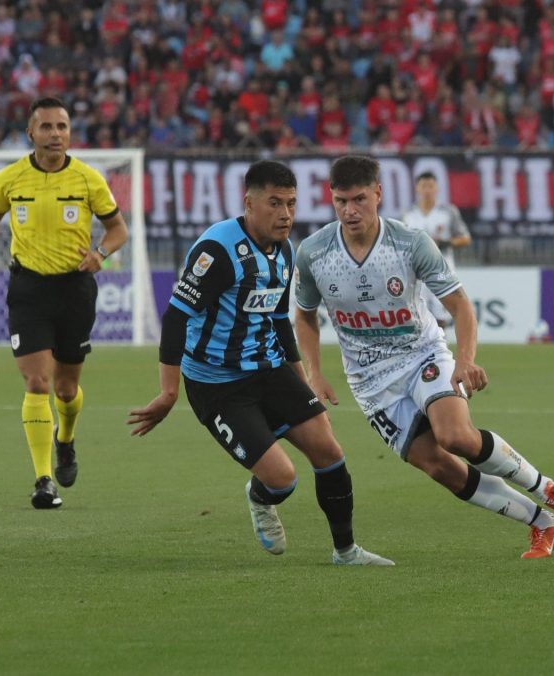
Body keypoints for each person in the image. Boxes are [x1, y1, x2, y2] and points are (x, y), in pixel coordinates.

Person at [295, 156, 554, 560]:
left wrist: (466, 360)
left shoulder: (410, 243)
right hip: (370, 382)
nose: (350, 210)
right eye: (341, 201)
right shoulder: (313, 253)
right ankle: (545, 524)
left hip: (422, 355)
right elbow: (305, 316)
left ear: (378, 194)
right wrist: (315, 373)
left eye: (359, 199)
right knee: (438, 465)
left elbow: (461, 307)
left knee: (455, 436)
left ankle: (548, 488)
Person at [126, 160, 392, 566]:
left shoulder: (285, 251)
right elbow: (176, 316)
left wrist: (302, 381)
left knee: (329, 449)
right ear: (248, 203)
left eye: (291, 203)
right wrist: (168, 392)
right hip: (217, 385)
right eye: (274, 203)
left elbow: (277, 320)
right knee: (283, 480)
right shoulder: (218, 251)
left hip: (268, 370)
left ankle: (346, 552)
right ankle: (260, 496)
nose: (285, 214)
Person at [0, 97, 128, 509]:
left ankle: (66, 438)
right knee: (36, 382)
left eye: (62, 126)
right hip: (28, 290)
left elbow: (118, 229)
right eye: (47, 127)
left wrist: (101, 253)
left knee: (66, 387)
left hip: (75, 290)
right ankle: (43, 480)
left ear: (69, 132)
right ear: (31, 133)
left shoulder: (89, 180)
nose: (55, 134)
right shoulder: (10, 178)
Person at [401, 172, 471, 328]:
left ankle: (441, 350)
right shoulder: (408, 215)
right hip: (417, 271)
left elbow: (465, 238)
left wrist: (445, 243)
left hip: (442, 269)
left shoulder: (448, 212)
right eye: (423, 186)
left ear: (437, 188)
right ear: (417, 189)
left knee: (441, 316)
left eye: (430, 186)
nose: (427, 190)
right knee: (418, 317)